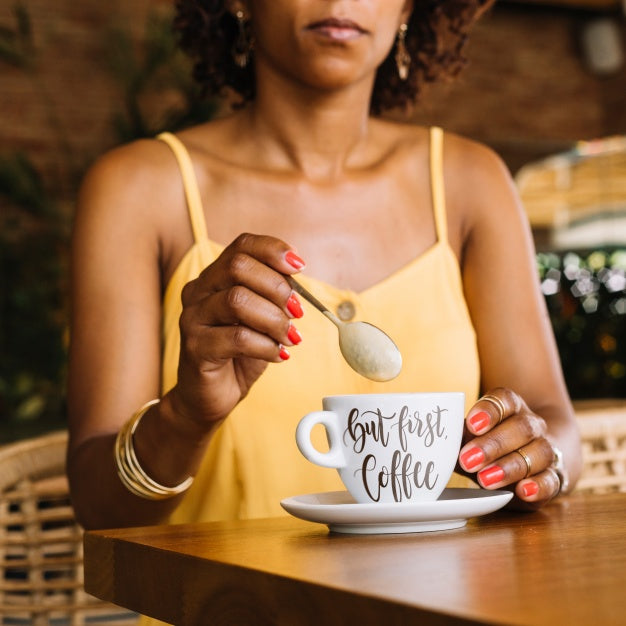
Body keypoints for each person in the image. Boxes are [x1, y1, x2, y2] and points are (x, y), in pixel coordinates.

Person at [67, 0, 582, 541]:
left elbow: (556, 427)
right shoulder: (138, 191)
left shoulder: (472, 184)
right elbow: (101, 509)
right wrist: (186, 416)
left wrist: (531, 459)